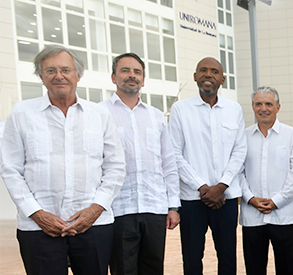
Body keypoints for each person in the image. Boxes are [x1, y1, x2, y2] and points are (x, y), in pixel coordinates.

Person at [0, 45, 126, 274]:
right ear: (41, 76)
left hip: (93, 225)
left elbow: (115, 166)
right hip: (38, 227)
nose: (59, 76)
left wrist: (95, 209)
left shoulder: (99, 115)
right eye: (50, 70)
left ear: (78, 75)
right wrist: (37, 213)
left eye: (65, 69)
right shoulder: (21, 114)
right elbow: (10, 169)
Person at [101, 53, 180, 275]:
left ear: (143, 80)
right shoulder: (100, 113)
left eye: (137, 72)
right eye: (125, 70)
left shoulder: (156, 116)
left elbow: (168, 164)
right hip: (117, 209)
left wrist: (173, 206)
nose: (131, 76)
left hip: (154, 207)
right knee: (123, 270)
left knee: (153, 269)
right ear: (113, 77)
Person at [169, 57, 247, 275]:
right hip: (193, 199)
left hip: (226, 199)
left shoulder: (234, 109)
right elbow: (174, 153)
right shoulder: (180, 110)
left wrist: (221, 186)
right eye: (202, 70)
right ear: (195, 76)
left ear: (222, 79)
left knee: (228, 257)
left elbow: (239, 151)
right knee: (192, 258)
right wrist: (203, 187)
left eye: (214, 71)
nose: (208, 75)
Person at [241, 87, 293, 275]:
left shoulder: (291, 135)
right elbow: (238, 172)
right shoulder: (243, 137)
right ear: (253, 107)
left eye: (269, 104)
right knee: (254, 269)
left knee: (288, 269)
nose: (264, 108)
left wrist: (277, 201)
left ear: (278, 107)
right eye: (259, 104)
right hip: (252, 216)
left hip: (284, 215)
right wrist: (250, 198)